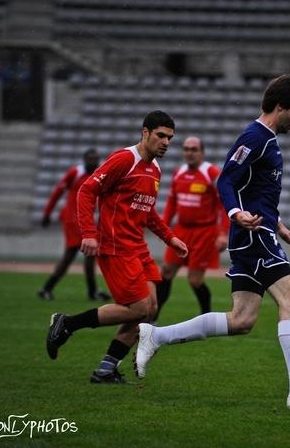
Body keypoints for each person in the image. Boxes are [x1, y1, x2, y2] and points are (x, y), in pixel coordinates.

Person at [134, 74, 290, 410]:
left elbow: (254, 192)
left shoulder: (267, 140)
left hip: (257, 230)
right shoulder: (255, 137)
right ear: (280, 106)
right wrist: (235, 214)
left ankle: (156, 336)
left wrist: (280, 225)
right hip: (253, 234)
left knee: (242, 319)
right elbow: (226, 181)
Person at [45, 111, 188, 384]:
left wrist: (170, 238)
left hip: (137, 246)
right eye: (160, 135)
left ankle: (106, 369)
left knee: (151, 309)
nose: (166, 142)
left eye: (170, 138)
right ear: (145, 133)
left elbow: (147, 213)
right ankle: (67, 324)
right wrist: (88, 233)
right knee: (137, 309)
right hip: (116, 245)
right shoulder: (124, 159)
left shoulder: (155, 168)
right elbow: (87, 191)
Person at [155, 136, 229, 319]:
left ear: (202, 152)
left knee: (195, 280)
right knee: (166, 272)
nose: (189, 153)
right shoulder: (178, 172)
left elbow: (224, 205)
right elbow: (172, 202)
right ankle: (153, 317)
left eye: (194, 149)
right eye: (186, 149)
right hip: (181, 231)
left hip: (204, 233)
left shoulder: (211, 173)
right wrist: (162, 226)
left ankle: (207, 317)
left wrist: (222, 234)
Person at [38, 148, 111, 301]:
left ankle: (48, 288)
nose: (94, 162)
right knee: (78, 254)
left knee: (82, 255)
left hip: (86, 220)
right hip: (72, 220)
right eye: (91, 159)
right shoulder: (75, 172)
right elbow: (57, 192)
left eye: (96, 159)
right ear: (84, 160)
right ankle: (90, 292)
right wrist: (47, 213)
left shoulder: (99, 174)